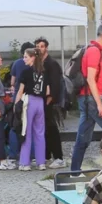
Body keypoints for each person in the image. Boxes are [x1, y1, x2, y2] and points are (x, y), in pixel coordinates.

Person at [70, 22, 102, 173]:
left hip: (87, 100)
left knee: (83, 139)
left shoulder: (93, 50)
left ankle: (74, 172)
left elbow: (94, 79)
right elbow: (90, 79)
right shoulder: (94, 52)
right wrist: (100, 104)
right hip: (92, 100)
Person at [15, 45, 47, 171]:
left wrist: (16, 104)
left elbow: (20, 90)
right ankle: (41, 162)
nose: (24, 59)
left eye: (26, 57)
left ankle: (25, 163)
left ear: (32, 58)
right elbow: (47, 90)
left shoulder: (26, 72)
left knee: (26, 132)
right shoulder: (43, 72)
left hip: (28, 101)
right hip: (40, 102)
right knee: (40, 133)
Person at [34, 37, 65, 168]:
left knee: (51, 128)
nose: (40, 48)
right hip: (41, 99)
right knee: (43, 128)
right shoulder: (39, 62)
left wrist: (50, 98)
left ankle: (58, 157)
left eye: (42, 46)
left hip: (49, 101)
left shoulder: (51, 63)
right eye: (38, 46)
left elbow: (55, 83)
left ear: (46, 47)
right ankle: (46, 155)